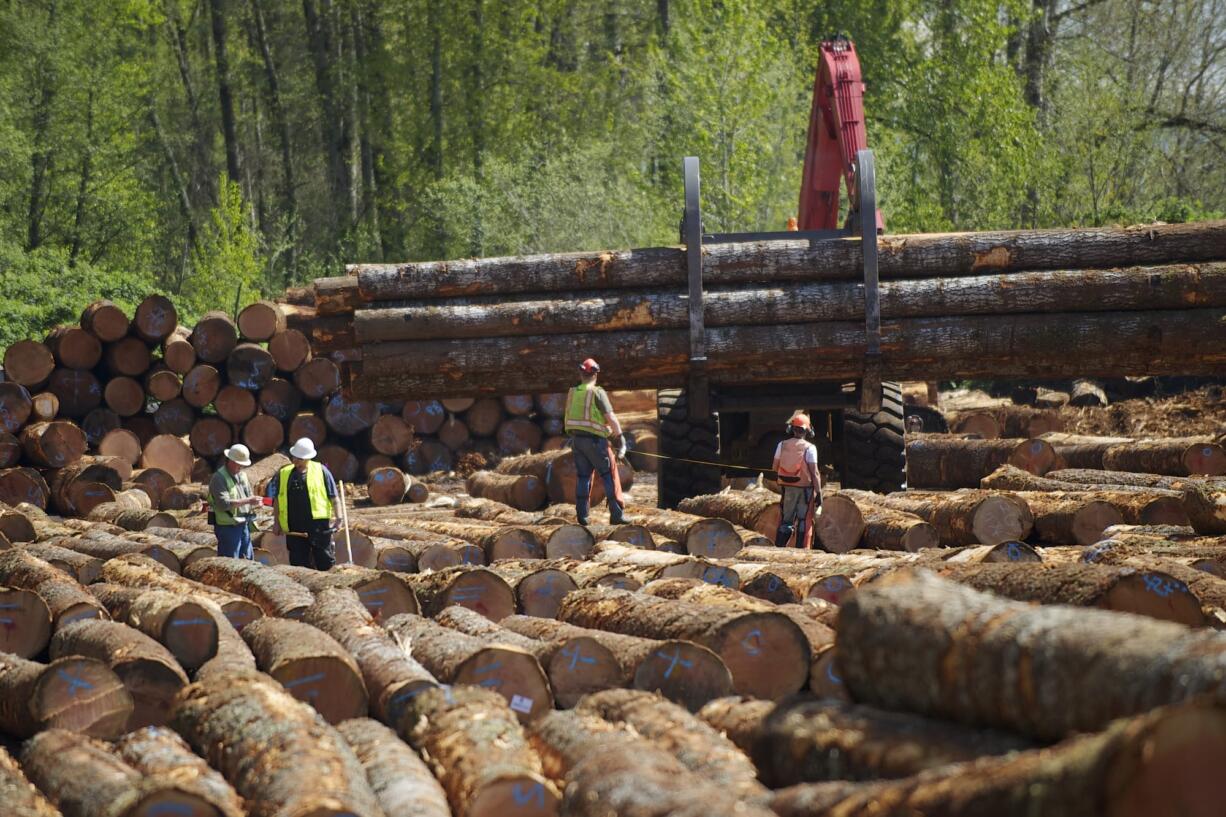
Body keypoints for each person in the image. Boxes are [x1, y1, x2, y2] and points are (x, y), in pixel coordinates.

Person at [564, 358, 627, 526]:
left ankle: (583, 516)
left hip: (577, 441)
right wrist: (620, 437)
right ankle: (616, 514)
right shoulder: (597, 392)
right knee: (609, 475)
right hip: (595, 442)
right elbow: (610, 417)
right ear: (596, 374)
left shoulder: (573, 392)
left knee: (583, 477)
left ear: (581, 373)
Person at [268, 437, 340, 570]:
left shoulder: (322, 471)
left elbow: (334, 496)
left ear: (308, 458)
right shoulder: (284, 474)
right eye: (294, 457)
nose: (295, 461)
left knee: (324, 559)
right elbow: (278, 499)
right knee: (298, 563)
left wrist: (339, 518)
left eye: (300, 459)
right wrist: (276, 522)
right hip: (294, 525)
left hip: (318, 525)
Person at [772, 413, 822, 548]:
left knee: (786, 519)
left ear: (791, 429)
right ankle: (799, 549)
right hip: (805, 488)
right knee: (803, 520)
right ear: (808, 430)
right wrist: (819, 493)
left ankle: (779, 547)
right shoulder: (810, 448)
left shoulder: (781, 445)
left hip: (787, 487)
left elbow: (774, 467)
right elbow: (815, 472)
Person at [208, 444, 261, 559]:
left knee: (247, 559)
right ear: (231, 461)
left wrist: (255, 502)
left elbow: (249, 495)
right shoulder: (218, 478)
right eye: (239, 464)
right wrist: (248, 500)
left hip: (243, 523)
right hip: (227, 527)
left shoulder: (242, 476)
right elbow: (224, 504)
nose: (241, 467)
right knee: (230, 561)